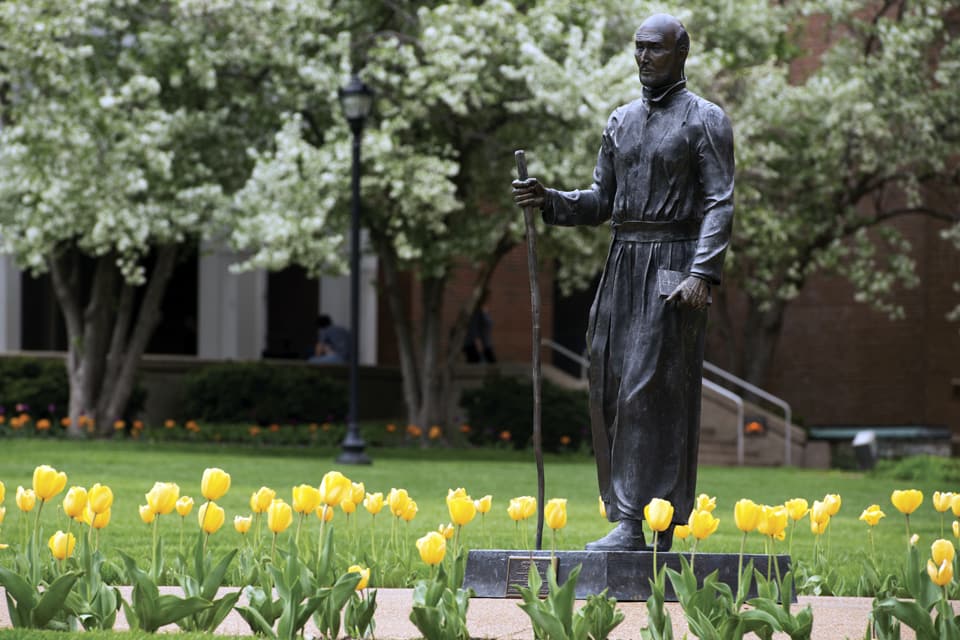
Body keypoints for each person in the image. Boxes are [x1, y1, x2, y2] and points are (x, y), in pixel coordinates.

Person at [512, 13, 734, 551]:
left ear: (680, 53)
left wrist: (702, 273)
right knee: (611, 387)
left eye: (654, 49)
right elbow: (601, 201)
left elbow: (719, 201)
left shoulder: (705, 119)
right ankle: (633, 517)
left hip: (673, 266)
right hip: (623, 263)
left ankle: (640, 522)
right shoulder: (621, 121)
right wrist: (550, 200)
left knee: (647, 391)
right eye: (638, 49)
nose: (643, 59)